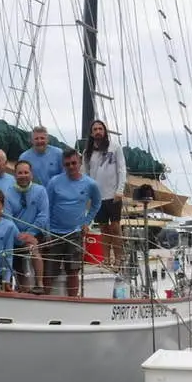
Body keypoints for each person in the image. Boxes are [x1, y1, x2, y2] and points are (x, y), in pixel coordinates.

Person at [45, 149, 102, 297]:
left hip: (75, 233)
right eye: (67, 164)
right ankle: (45, 300)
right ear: (63, 165)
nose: (71, 166)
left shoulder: (91, 184)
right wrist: (47, 231)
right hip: (54, 233)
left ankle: (73, 301)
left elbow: (96, 203)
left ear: (80, 162)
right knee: (49, 271)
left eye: (73, 163)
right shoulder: (54, 182)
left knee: (73, 271)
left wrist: (87, 222)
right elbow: (47, 207)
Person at [83, 119, 127, 271]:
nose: (98, 132)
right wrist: (88, 195)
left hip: (113, 194)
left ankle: (120, 258)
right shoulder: (87, 153)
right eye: (95, 129)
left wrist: (120, 190)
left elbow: (122, 169)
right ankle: (106, 260)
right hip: (97, 196)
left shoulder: (115, 148)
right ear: (91, 133)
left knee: (115, 227)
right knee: (103, 228)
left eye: (100, 129)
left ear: (105, 131)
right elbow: (86, 174)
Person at [5, 159, 49, 293]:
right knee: (19, 265)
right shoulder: (7, 193)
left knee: (33, 249)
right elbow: (7, 217)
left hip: (34, 234)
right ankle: (22, 289)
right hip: (15, 235)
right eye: (20, 173)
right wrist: (19, 236)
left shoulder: (40, 191)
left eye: (26, 172)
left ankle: (39, 284)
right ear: (15, 175)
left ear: (31, 174)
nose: (23, 175)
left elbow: (43, 215)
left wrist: (30, 234)